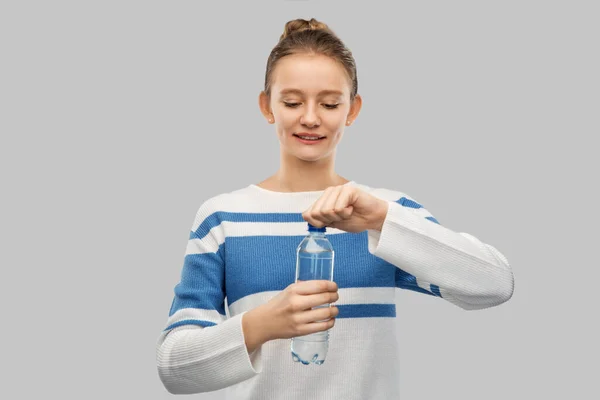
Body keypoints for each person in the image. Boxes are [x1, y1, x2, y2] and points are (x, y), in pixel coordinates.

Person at [155, 17, 514, 399]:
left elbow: (494, 285)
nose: (310, 117)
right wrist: (263, 324)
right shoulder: (222, 218)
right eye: (292, 102)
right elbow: (174, 368)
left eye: (329, 103)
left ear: (353, 110)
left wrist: (380, 219)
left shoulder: (384, 212)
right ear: (267, 105)